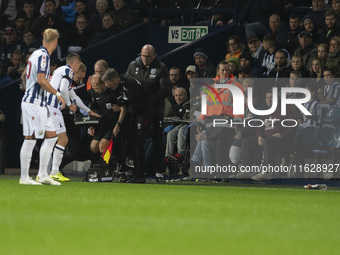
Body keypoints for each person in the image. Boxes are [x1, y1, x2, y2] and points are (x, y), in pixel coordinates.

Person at [19, 28, 66, 185]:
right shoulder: (44, 56)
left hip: (39, 103)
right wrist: (58, 94)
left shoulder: (34, 54)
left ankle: (43, 175)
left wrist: (28, 87)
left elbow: (24, 75)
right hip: (33, 104)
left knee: (52, 136)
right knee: (31, 138)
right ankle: (24, 178)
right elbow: (41, 80)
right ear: (56, 42)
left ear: (43, 40)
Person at [46, 53, 100, 181]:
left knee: (55, 141)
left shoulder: (60, 72)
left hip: (51, 109)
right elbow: (64, 90)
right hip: (54, 109)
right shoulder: (67, 70)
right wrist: (70, 105)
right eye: (78, 67)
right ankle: (52, 172)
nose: (77, 70)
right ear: (75, 64)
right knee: (60, 141)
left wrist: (88, 110)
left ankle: (49, 172)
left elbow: (73, 95)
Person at [126, 44, 170, 181]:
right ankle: (136, 170)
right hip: (138, 110)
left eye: (148, 56)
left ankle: (159, 170)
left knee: (157, 139)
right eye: (143, 56)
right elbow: (127, 83)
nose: (145, 59)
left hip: (155, 109)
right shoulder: (133, 66)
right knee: (136, 139)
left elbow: (165, 89)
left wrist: (149, 100)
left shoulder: (161, 67)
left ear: (154, 55)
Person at [191, 60, 244, 168]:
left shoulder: (236, 85)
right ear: (218, 71)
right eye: (222, 70)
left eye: (227, 70)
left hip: (226, 124)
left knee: (219, 149)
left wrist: (237, 121)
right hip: (211, 124)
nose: (225, 72)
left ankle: (218, 175)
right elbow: (206, 107)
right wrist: (200, 123)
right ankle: (206, 171)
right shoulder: (211, 87)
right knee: (203, 142)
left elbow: (239, 105)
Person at [165, 87, 190, 163]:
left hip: (189, 124)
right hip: (180, 124)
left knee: (181, 131)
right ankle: (168, 156)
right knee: (170, 133)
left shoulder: (190, 104)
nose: (178, 98)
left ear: (186, 95)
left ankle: (180, 154)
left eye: (181, 95)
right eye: (176, 96)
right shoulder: (174, 107)